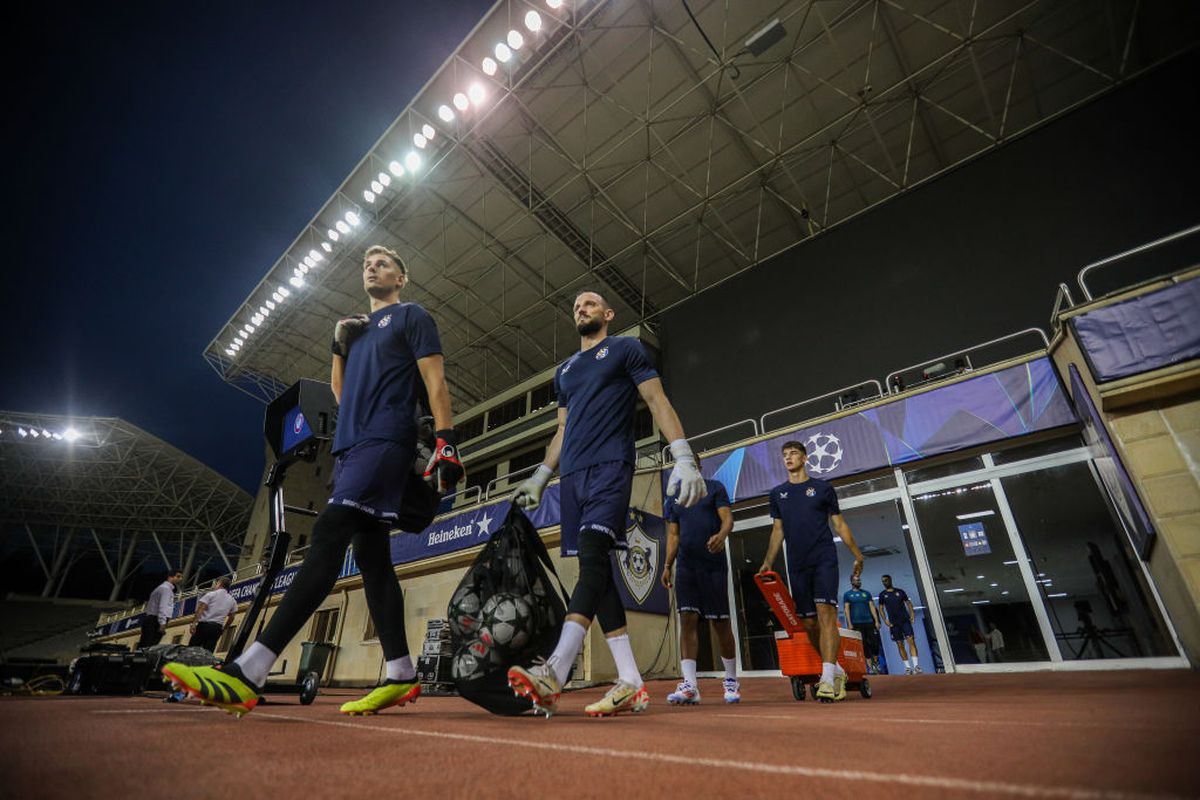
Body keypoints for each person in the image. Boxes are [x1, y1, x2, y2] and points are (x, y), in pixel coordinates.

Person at [163, 244, 463, 717]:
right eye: (367, 264)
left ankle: (249, 671)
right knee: (372, 558)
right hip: (349, 448)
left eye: (383, 264)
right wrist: (339, 348)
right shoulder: (356, 334)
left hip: (386, 439)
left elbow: (435, 381)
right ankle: (402, 673)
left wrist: (446, 441)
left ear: (401, 278)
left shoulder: (411, 316)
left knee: (328, 532)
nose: (372, 268)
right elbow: (341, 393)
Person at [506, 289, 706, 718]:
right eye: (576, 307)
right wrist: (541, 475)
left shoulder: (625, 349)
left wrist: (683, 456)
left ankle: (555, 671)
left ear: (609, 314)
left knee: (594, 556)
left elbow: (656, 400)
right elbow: (563, 429)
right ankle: (630, 680)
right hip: (572, 478)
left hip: (611, 466)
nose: (582, 309)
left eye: (590, 304)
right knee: (596, 570)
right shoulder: (564, 371)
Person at [758, 441, 864, 703]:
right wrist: (768, 561)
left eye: (793, 453)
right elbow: (778, 531)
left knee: (826, 614)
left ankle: (826, 678)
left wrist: (857, 554)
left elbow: (839, 524)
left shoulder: (823, 488)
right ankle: (836, 670)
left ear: (805, 458)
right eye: (785, 455)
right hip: (797, 563)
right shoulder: (778, 493)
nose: (788, 458)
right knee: (808, 623)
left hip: (823, 558)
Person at [661, 476, 740, 705]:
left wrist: (722, 535)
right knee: (687, 619)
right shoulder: (673, 497)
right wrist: (667, 565)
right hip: (686, 566)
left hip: (713, 565)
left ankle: (731, 680)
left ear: (698, 467)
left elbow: (727, 519)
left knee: (720, 623)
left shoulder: (714, 488)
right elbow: (674, 534)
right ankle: (690, 685)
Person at [878, 574, 921, 673]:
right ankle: (908, 667)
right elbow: (881, 608)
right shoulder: (882, 595)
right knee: (900, 644)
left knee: (911, 641)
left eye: (886, 580)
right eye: (883, 581)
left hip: (905, 621)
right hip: (894, 623)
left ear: (890, 580)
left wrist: (912, 614)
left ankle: (916, 666)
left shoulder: (900, 592)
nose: (885, 582)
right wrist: (885, 620)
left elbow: (908, 603)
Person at [841, 575, 882, 674]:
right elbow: (846, 610)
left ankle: (876, 662)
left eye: (859, 580)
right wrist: (849, 623)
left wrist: (876, 621)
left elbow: (872, 607)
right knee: (864, 645)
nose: (859, 581)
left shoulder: (866, 593)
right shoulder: (847, 595)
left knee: (875, 643)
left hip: (869, 622)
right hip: (856, 624)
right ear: (852, 582)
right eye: (857, 580)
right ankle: (870, 667)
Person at [189, 577, 237, 653]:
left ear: (219, 584)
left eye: (217, 583)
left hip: (204, 626)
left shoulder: (211, 594)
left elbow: (200, 609)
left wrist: (194, 624)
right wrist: (224, 628)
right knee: (208, 652)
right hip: (217, 628)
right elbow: (232, 617)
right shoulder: (232, 600)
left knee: (192, 650)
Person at [138, 570, 182, 649]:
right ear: (170, 577)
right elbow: (163, 607)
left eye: (181, 577)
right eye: (178, 576)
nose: (180, 579)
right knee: (150, 647)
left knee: (144, 645)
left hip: (151, 619)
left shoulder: (160, 588)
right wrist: (162, 623)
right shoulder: (166, 589)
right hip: (156, 620)